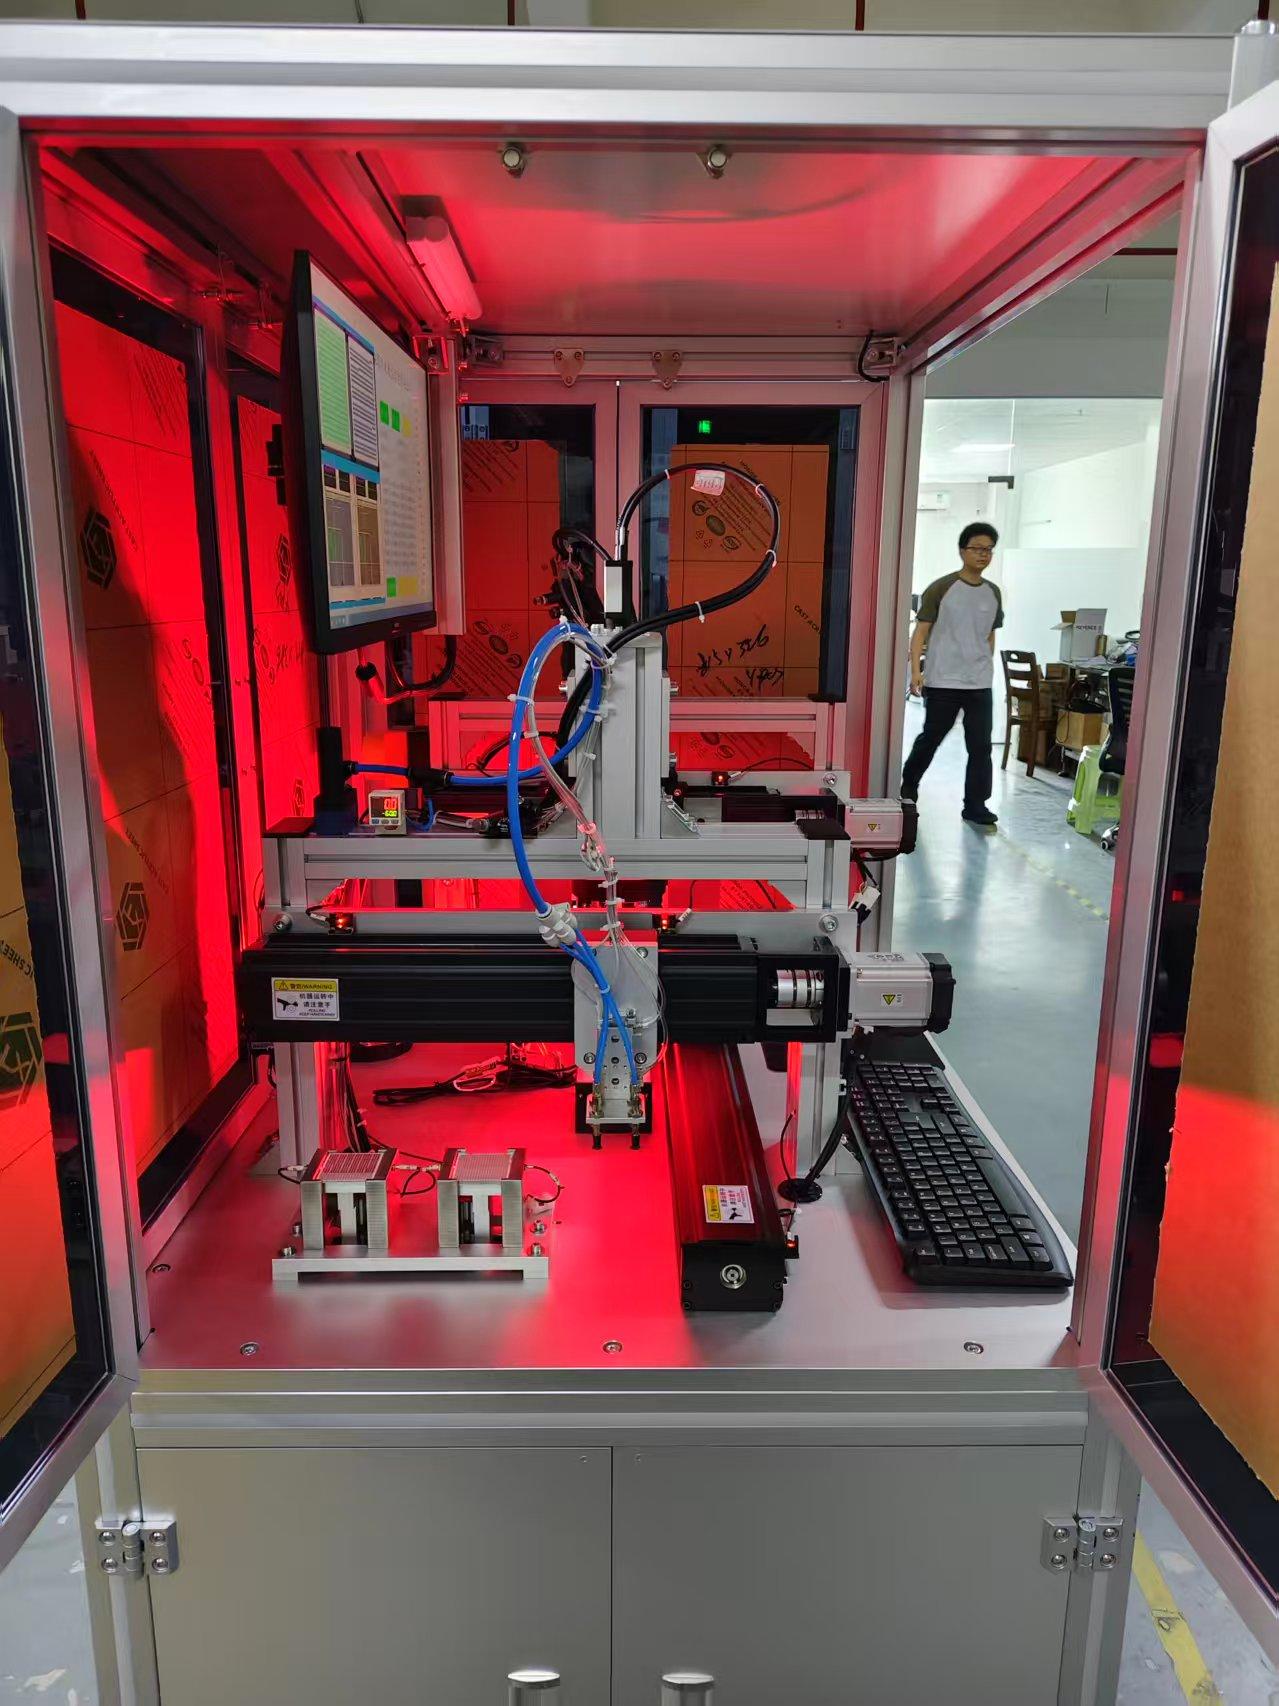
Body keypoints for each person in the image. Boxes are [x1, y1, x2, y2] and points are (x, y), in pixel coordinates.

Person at [900, 522, 1004, 826]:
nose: (983, 554)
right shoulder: (942, 588)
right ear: (962, 551)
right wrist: (916, 672)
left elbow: (990, 634)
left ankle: (975, 805)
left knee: (981, 747)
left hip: (979, 683)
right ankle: (908, 787)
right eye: (977, 548)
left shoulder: (993, 592)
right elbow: (920, 632)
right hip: (943, 679)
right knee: (931, 738)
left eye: (988, 550)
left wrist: (984, 664)